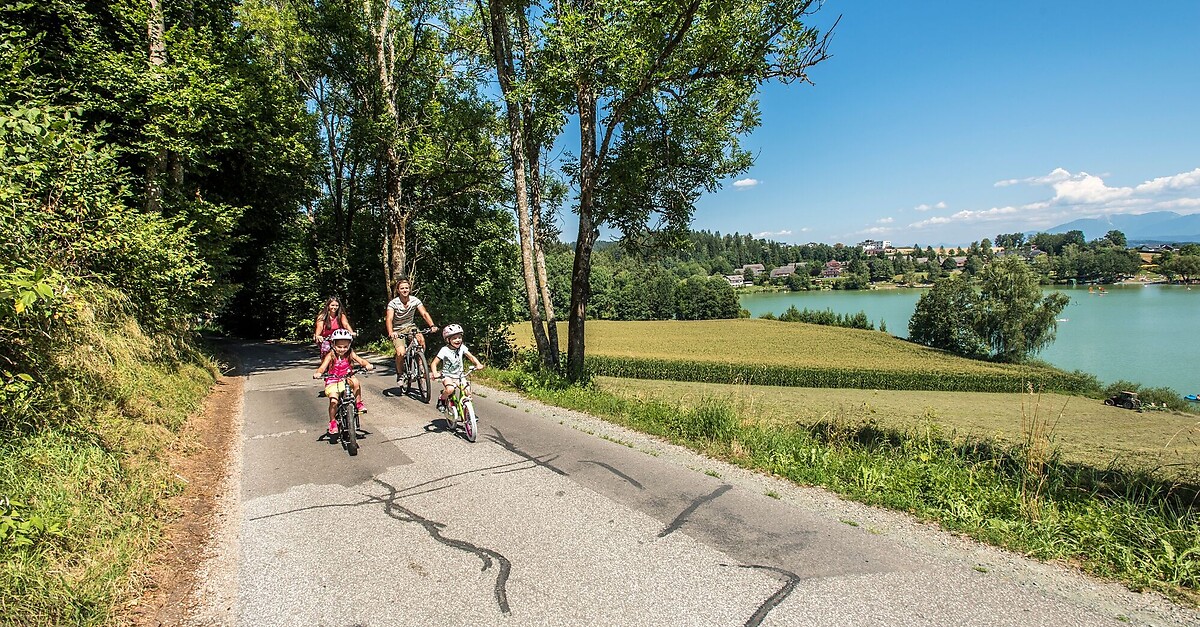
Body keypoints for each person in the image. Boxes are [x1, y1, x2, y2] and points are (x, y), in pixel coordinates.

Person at [312, 329, 374, 436]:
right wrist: (318, 373)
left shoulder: (350, 353)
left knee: (355, 381)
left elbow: (361, 361)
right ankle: (332, 422)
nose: (342, 349)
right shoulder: (330, 355)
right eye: (339, 347)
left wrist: (367, 364)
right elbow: (322, 368)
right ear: (333, 344)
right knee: (334, 402)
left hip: (346, 378)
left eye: (345, 346)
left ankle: (358, 403)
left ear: (349, 345)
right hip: (333, 380)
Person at [385, 279, 437, 381]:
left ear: (410, 289)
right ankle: (400, 374)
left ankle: (421, 365)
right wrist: (391, 332)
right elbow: (389, 318)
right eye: (402, 288)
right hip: (397, 329)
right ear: (398, 290)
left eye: (406, 288)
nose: (405, 290)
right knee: (401, 353)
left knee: (421, 340)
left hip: (410, 326)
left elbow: (424, 313)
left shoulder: (415, 300)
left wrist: (432, 325)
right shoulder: (393, 303)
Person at [429, 324, 484, 412]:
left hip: (460, 375)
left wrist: (478, 364)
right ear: (448, 340)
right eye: (454, 338)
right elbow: (434, 363)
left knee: (468, 391)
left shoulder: (462, 348)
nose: (458, 340)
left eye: (459, 337)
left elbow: (471, 357)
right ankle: (442, 399)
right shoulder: (444, 350)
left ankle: (469, 414)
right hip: (448, 376)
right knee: (450, 389)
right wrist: (435, 373)